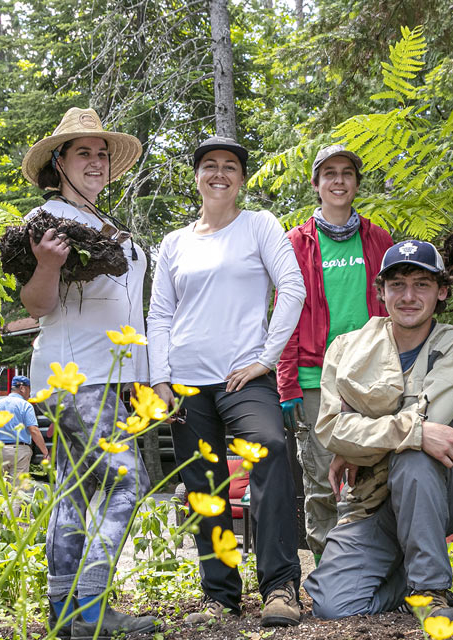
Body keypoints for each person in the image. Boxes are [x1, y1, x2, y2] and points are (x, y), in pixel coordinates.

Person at [147, 136, 306, 627]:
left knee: (271, 448)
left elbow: (293, 287)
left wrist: (265, 358)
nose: (220, 173)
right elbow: (160, 315)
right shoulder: (174, 243)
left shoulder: (259, 226)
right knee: (204, 484)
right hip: (187, 384)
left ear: (241, 178)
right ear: (196, 176)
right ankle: (221, 596)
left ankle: (280, 587)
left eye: (230, 166)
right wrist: (161, 381)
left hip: (245, 378)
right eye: (210, 165)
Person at [18, 106, 156, 638]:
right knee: (129, 479)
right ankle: (90, 609)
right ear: (59, 160)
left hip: (106, 375)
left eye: (102, 154)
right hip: (74, 376)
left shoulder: (103, 223)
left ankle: (63, 612)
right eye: (84, 153)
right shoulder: (46, 220)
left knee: (74, 490)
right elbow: (35, 305)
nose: (96, 162)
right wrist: (48, 265)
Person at [304, 240, 453, 631]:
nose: (409, 296)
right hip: (371, 498)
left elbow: (431, 427)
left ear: (442, 291)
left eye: (422, 284)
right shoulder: (346, 349)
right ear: (380, 292)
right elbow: (332, 429)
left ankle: (432, 595)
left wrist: (361, 438)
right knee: (333, 605)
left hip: (438, 488)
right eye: (397, 285)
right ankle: (405, 586)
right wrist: (405, 430)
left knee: (416, 455)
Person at [278, 144, 393, 563]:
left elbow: (398, 307)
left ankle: (375, 565)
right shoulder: (294, 244)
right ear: (316, 184)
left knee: (377, 473)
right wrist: (286, 382)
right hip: (313, 379)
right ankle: (330, 569)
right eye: (329, 173)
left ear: (357, 183)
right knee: (322, 482)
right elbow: (285, 317)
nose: (339, 180)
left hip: (372, 376)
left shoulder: (379, 239)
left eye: (347, 173)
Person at [0, 375, 47, 485]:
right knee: (18, 490)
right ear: (22, 388)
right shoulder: (25, 405)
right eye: (29, 389)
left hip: (0, 450)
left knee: (5, 487)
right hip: (20, 450)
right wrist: (45, 452)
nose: (29, 393)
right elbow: (34, 430)